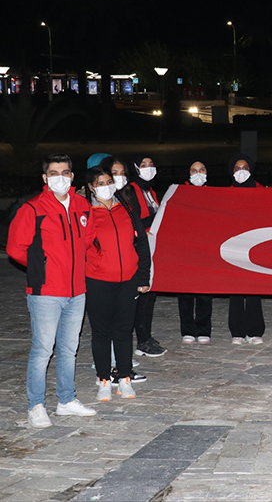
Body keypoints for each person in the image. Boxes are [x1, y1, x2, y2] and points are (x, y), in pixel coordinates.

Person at [7, 154, 97, 428]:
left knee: (69, 349)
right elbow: (15, 249)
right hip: (46, 291)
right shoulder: (33, 208)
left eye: (66, 172)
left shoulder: (82, 206)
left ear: (72, 176)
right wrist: (41, 267)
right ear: (45, 178)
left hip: (76, 290)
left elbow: (89, 239)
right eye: (54, 173)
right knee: (43, 349)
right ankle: (36, 405)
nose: (61, 177)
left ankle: (66, 400)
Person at [84, 166, 151, 401]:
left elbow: (141, 243)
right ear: (91, 187)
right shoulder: (86, 213)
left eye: (108, 181)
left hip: (128, 281)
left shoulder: (127, 210)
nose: (105, 187)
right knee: (101, 332)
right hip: (98, 281)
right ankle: (103, 379)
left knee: (123, 331)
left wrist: (143, 277)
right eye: (99, 183)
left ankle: (124, 378)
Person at [128, 154, 166, 358]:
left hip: (151, 249)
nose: (149, 168)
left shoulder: (150, 191)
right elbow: (135, 222)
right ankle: (142, 339)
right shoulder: (131, 191)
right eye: (143, 165)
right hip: (138, 250)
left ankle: (146, 336)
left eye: (152, 164)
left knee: (149, 295)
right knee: (141, 296)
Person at [228, 153, 266, 345]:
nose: (241, 172)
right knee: (235, 288)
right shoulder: (225, 194)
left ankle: (255, 330)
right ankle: (237, 331)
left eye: (245, 168)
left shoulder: (261, 192)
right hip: (232, 246)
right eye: (237, 168)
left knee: (253, 288)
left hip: (254, 245)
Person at [177, 158, 214, 345]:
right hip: (185, 251)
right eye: (193, 171)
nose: (198, 174)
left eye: (202, 170)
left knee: (204, 293)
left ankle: (203, 329)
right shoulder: (180, 193)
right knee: (185, 294)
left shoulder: (214, 194)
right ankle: (188, 330)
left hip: (206, 252)